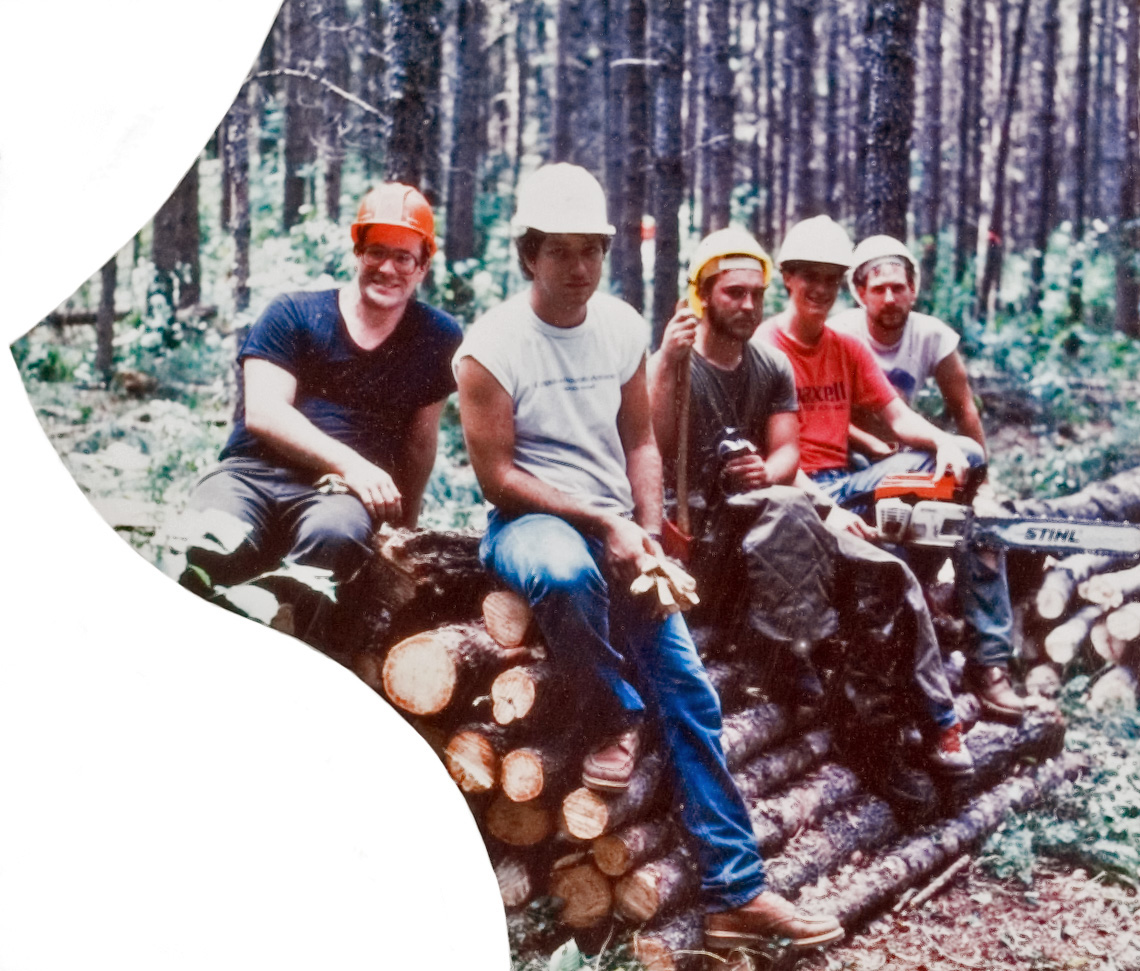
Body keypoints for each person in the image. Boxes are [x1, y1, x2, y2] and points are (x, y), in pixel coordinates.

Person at [455, 164, 843, 951]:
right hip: (532, 520)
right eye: (560, 252)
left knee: (694, 694)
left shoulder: (623, 327)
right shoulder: (490, 346)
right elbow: (498, 475)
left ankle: (739, 892)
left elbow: (639, 438)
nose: (579, 269)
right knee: (567, 574)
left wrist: (651, 522)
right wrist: (605, 519)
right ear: (529, 254)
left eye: (591, 251)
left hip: (617, 524)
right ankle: (613, 709)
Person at [647, 227, 971, 775]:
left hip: (767, 518)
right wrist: (665, 364)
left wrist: (765, 475)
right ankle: (788, 654)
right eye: (732, 293)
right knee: (792, 510)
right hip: (699, 545)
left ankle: (940, 721)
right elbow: (650, 448)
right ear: (702, 295)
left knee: (886, 569)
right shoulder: (674, 364)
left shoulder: (769, 366)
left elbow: (786, 458)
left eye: (755, 294)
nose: (747, 305)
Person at [177, 184, 463, 664]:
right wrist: (355, 465)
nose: (388, 268)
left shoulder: (437, 336)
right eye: (376, 252)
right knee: (213, 534)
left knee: (335, 537)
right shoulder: (293, 311)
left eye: (404, 257)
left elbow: (419, 444)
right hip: (251, 474)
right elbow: (265, 414)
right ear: (357, 251)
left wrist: (405, 531)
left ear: (423, 267)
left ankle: (291, 662)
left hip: (339, 497)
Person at [754, 217, 1024, 722]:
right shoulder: (767, 349)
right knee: (893, 543)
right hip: (800, 494)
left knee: (963, 472)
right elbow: (779, 461)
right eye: (808, 276)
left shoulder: (846, 346)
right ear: (787, 278)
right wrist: (827, 507)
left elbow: (898, 415)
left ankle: (989, 661)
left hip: (852, 480)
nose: (819, 288)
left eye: (829, 278)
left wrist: (946, 444)